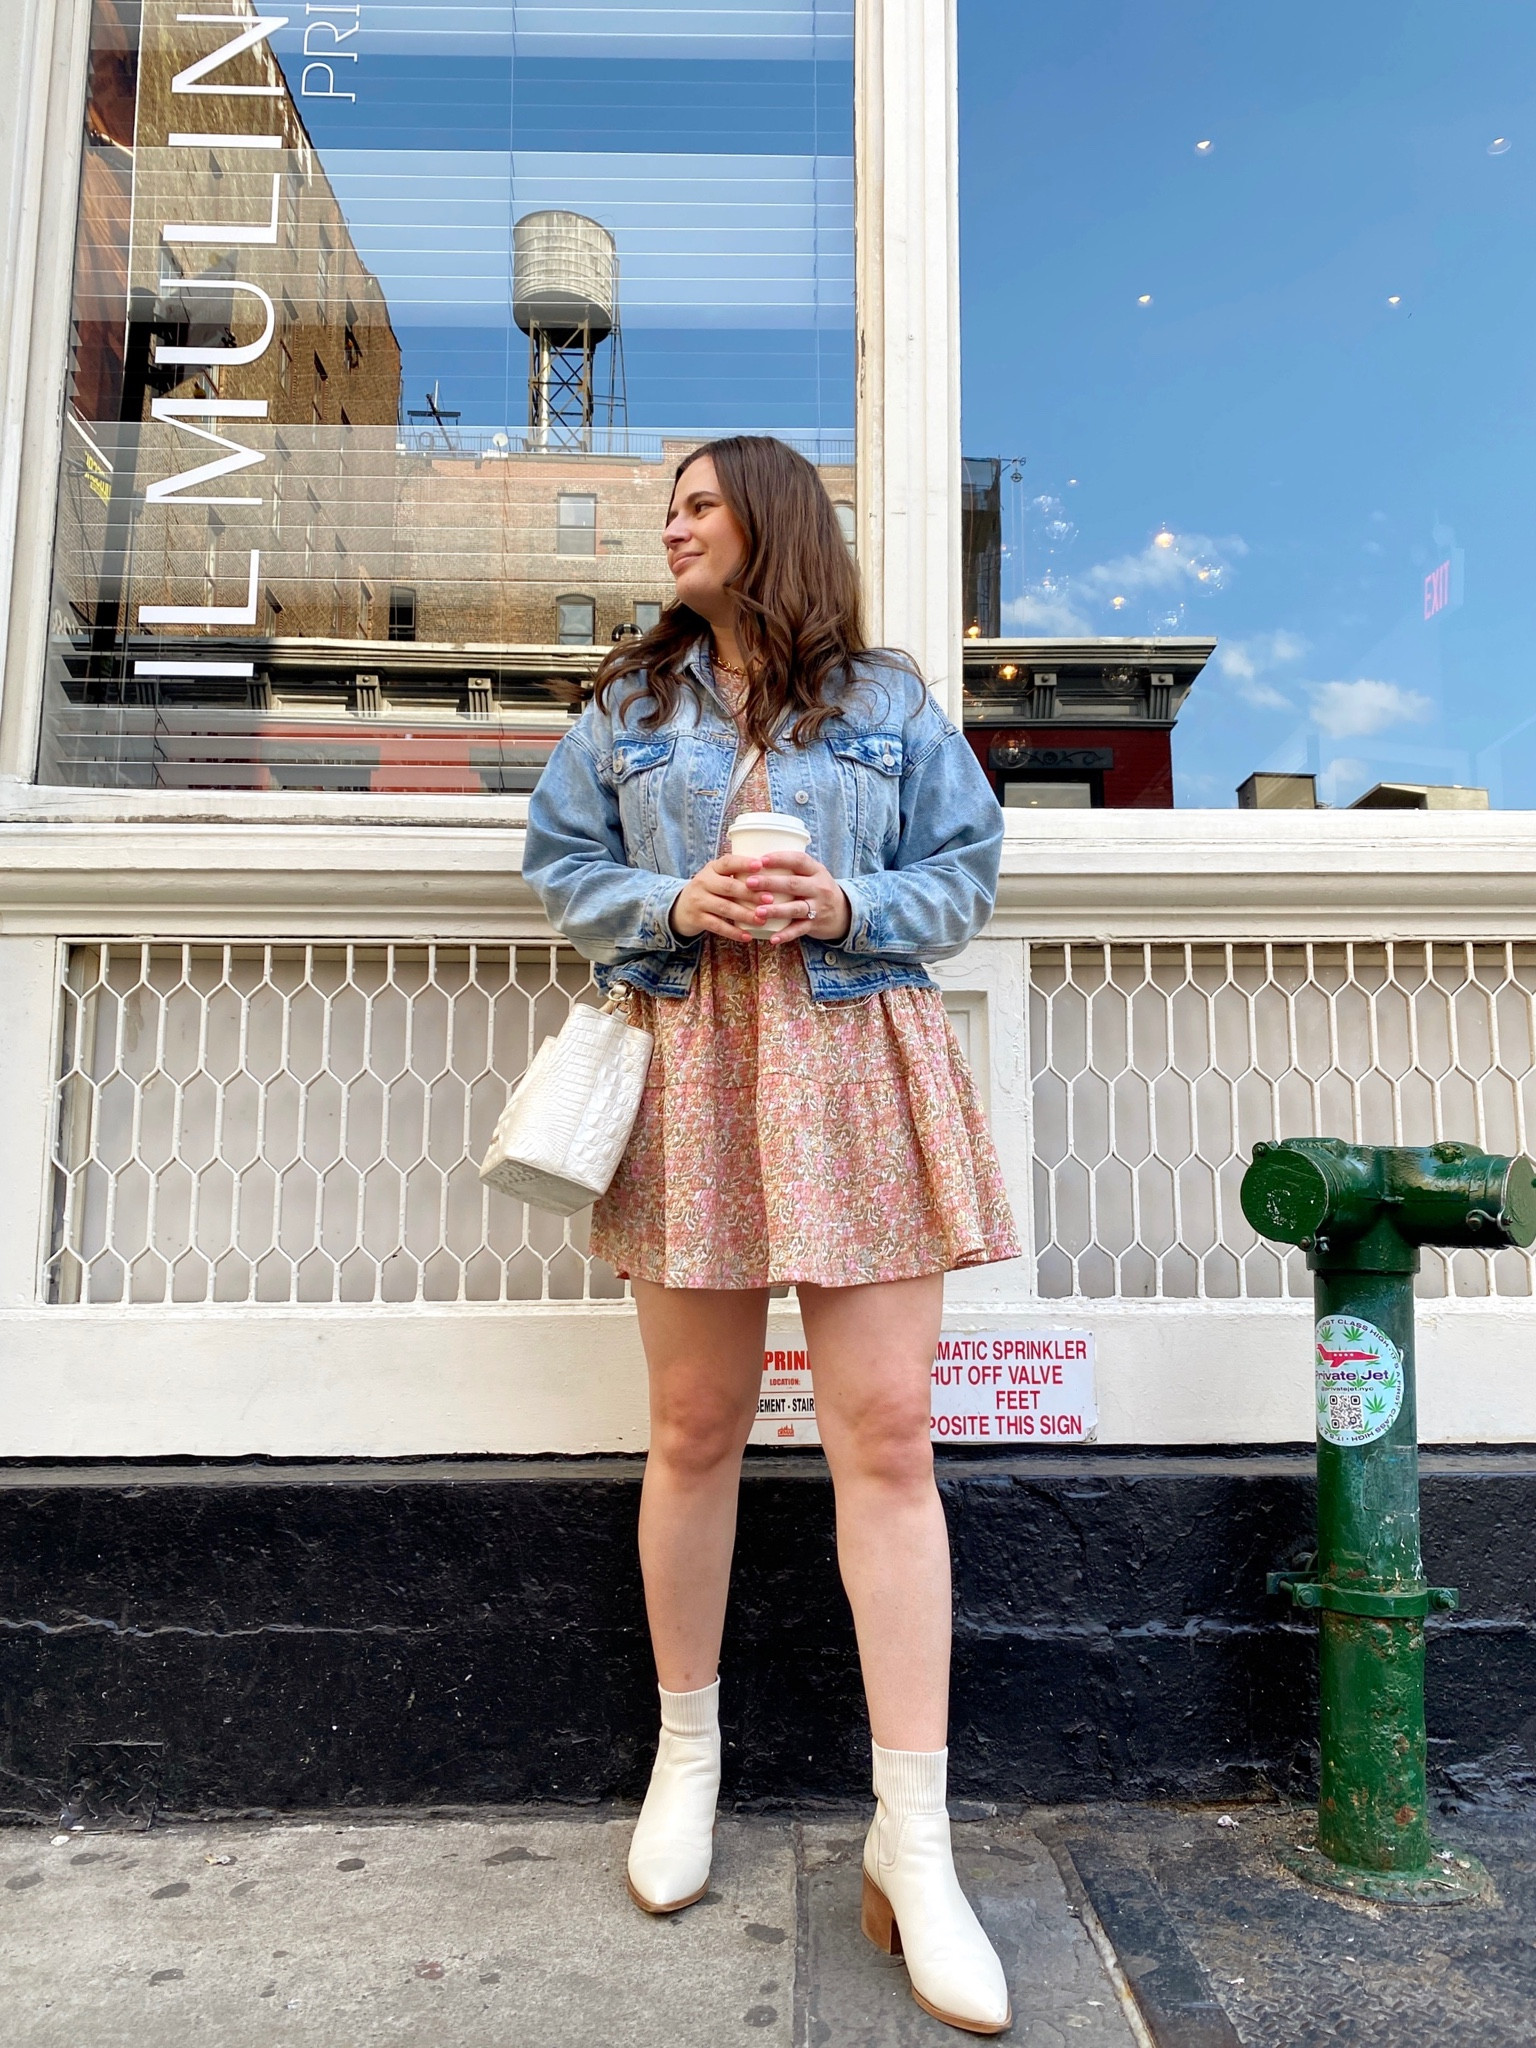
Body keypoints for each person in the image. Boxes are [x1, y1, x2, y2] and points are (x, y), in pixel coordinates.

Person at [524, 435, 1019, 2035]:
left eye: (695, 503)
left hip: (859, 1055)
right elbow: (559, 863)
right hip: (692, 1062)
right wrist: (673, 909)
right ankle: (687, 1760)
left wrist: (845, 906)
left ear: (772, 526)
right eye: (666, 508)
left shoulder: (884, 702)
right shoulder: (626, 707)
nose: (669, 525)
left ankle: (916, 1842)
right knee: (693, 1430)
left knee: (887, 1440)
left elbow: (970, 867)